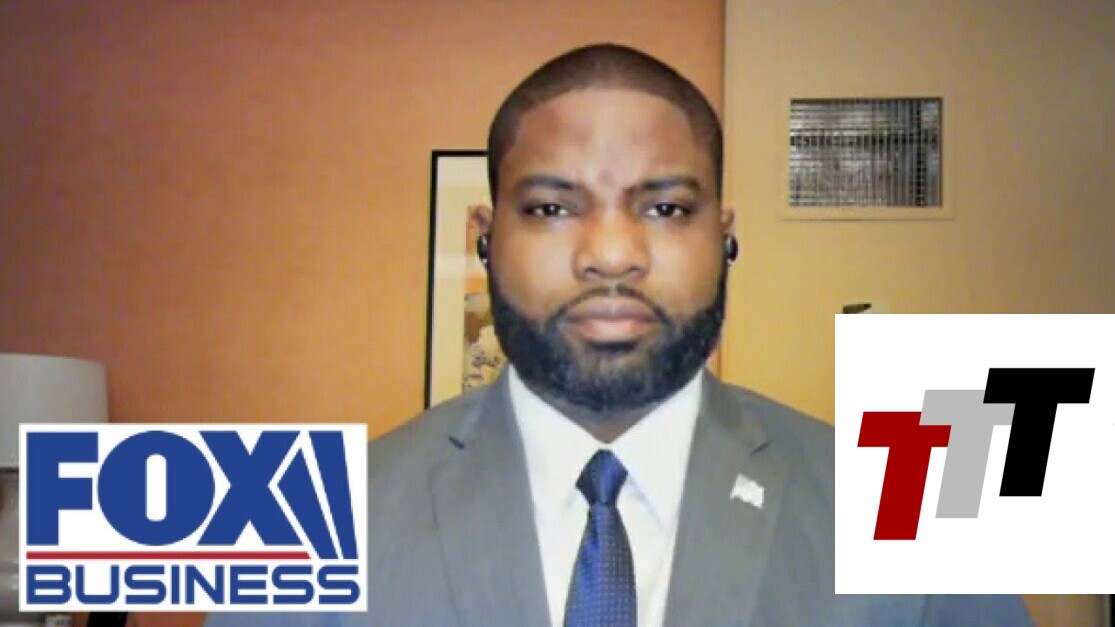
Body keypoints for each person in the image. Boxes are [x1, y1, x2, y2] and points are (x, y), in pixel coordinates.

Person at [208, 43, 1034, 626]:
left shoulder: (909, 508)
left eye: (665, 207)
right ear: (485, 239)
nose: (610, 253)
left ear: (723, 237)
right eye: (551, 207)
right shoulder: (302, 527)